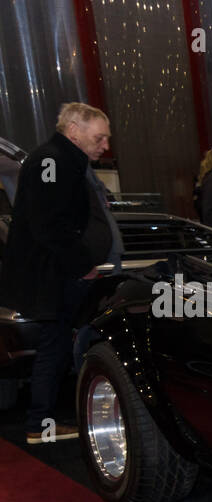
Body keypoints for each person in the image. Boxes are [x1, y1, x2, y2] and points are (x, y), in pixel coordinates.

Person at [0, 102, 121, 444]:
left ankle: (44, 421)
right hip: (53, 275)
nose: (105, 145)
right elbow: (48, 224)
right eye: (99, 138)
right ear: (74, 131)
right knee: (53, 348)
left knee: (56, 346)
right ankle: (41, 425)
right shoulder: (51, 161)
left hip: (56, 273)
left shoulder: (62, 159)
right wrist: (82, 265)